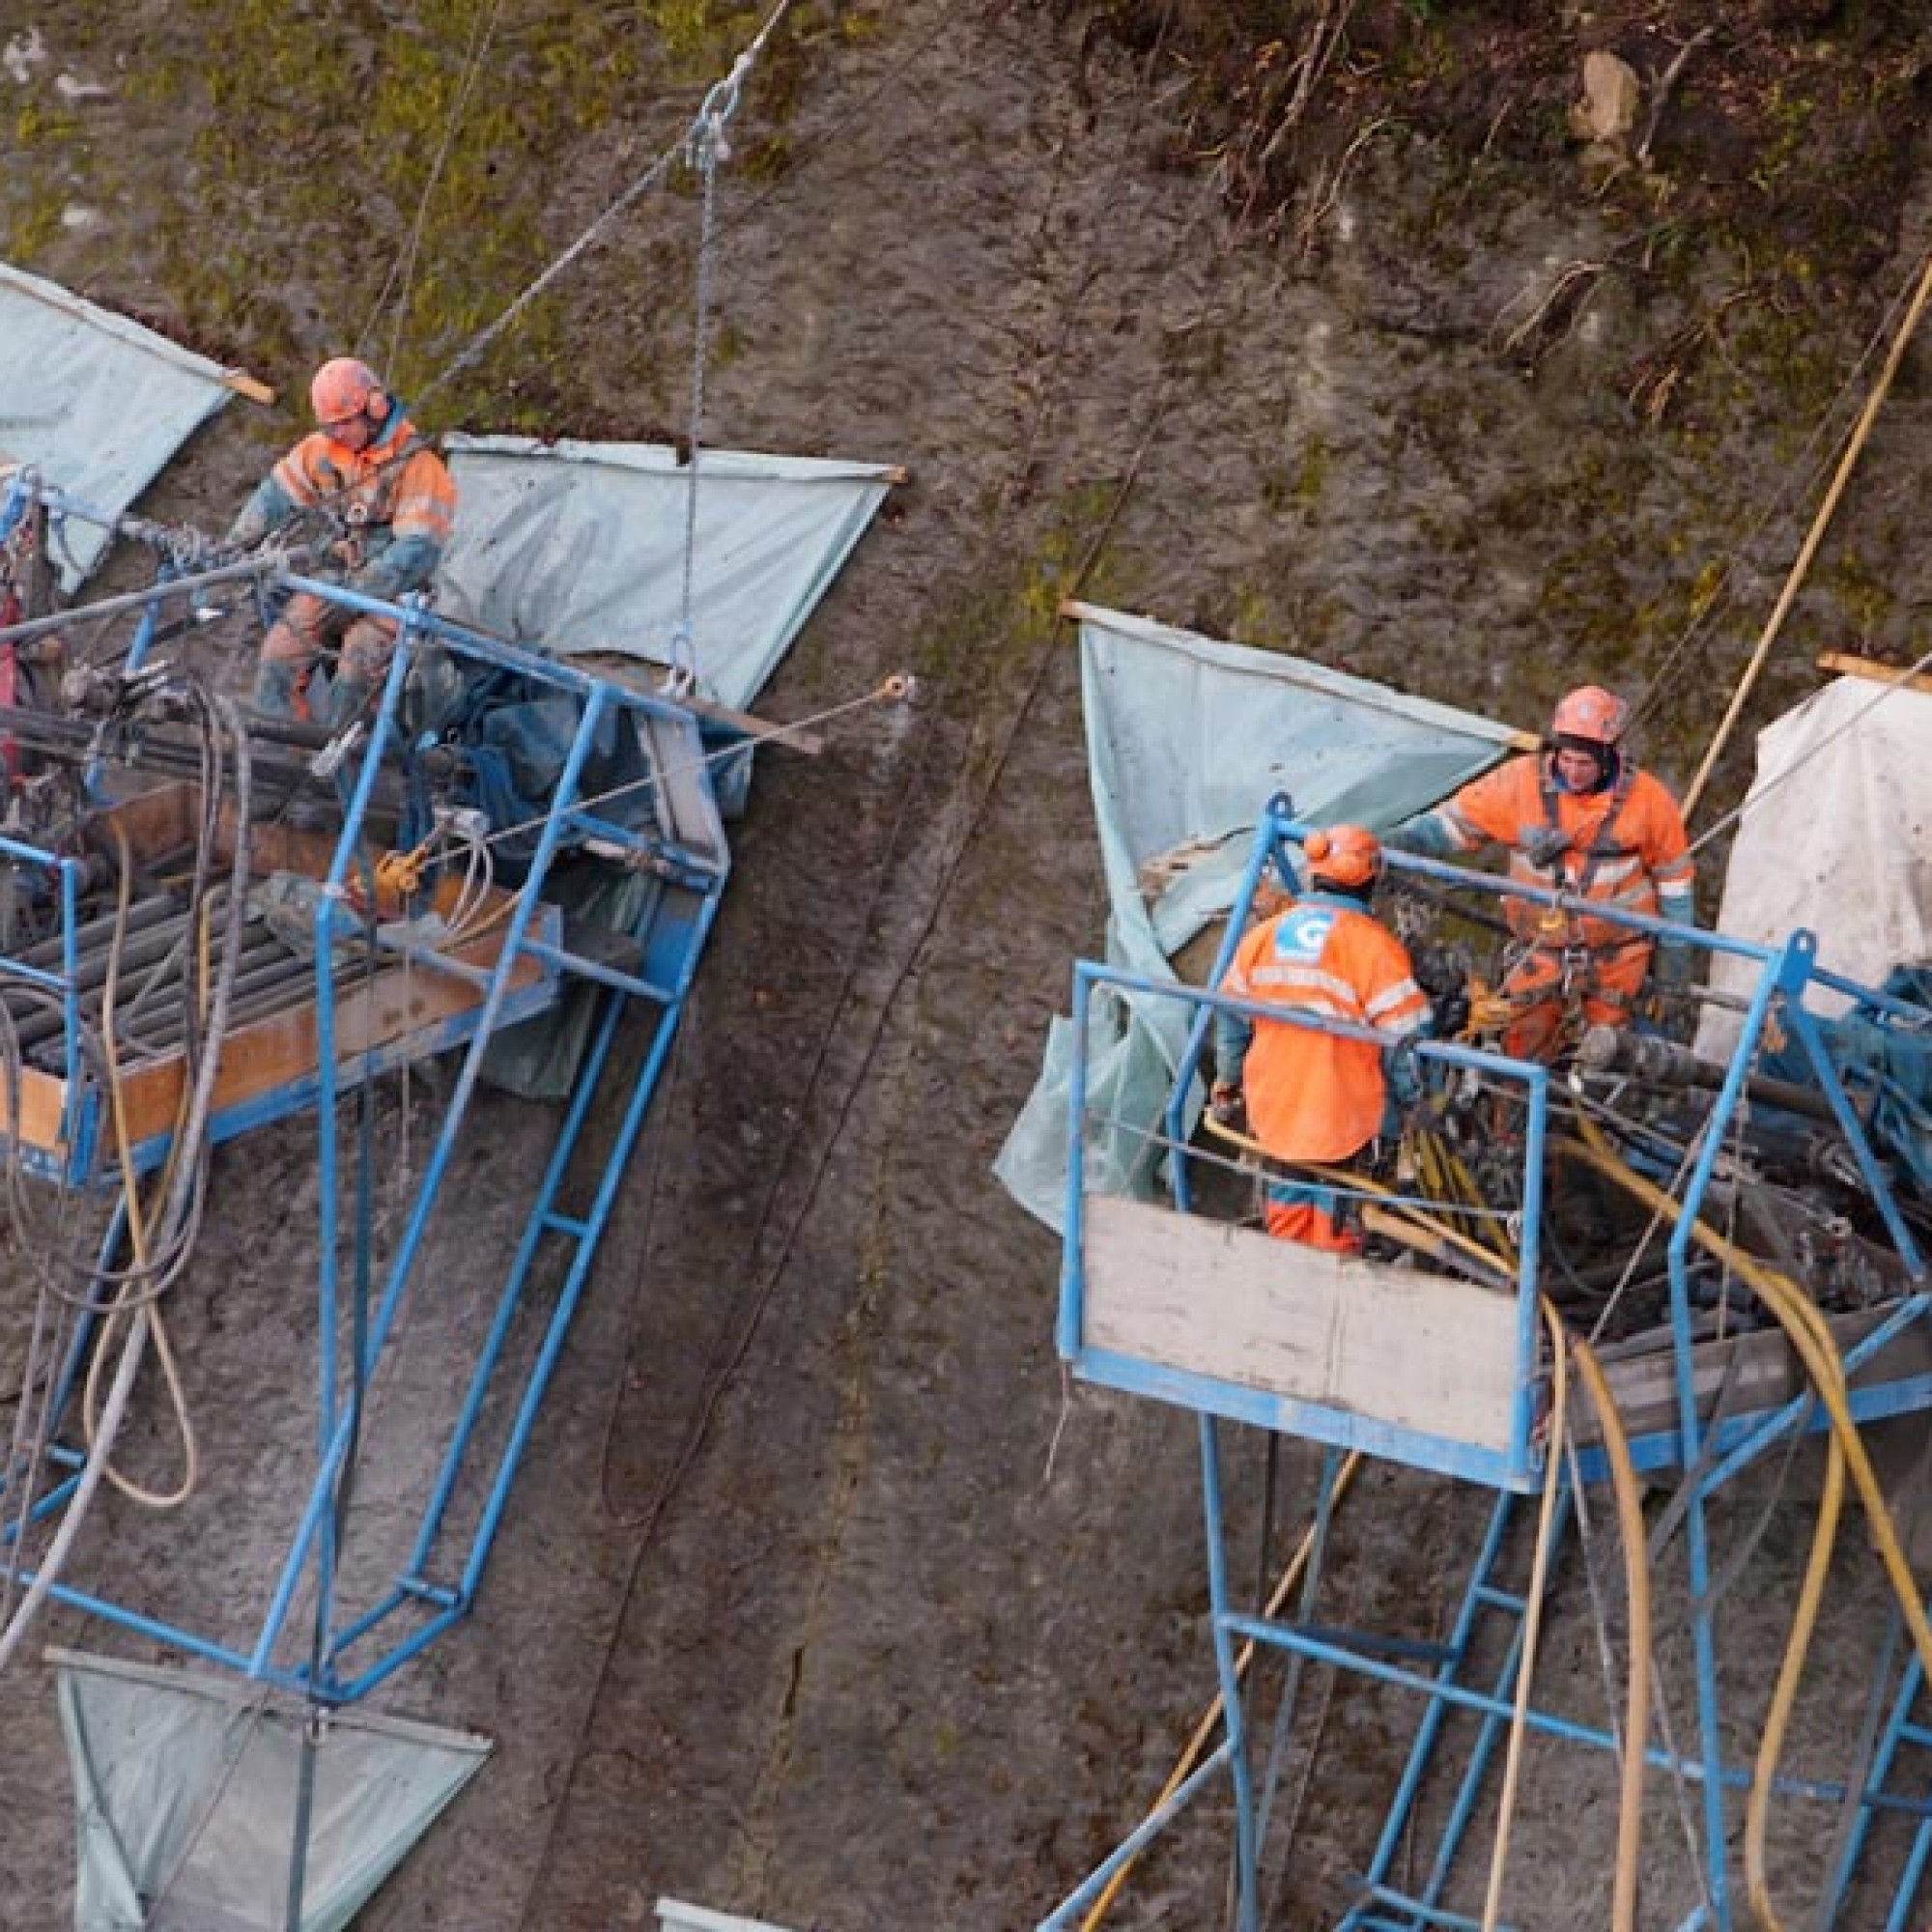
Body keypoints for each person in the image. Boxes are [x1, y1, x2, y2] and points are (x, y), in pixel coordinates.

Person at [1389, 684, 1694, 1062]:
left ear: (1610, 756)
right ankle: (1515, 1117)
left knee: (1610, 1057)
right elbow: (1453, 826)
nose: (1573, 771)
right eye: (1566, 759)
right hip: (1539, 952)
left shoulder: (1649, 802)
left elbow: (1676, 887)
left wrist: (1673, 971)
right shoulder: (1518, 784)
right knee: (1521, 1048)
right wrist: (1392, 843)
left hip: (1618, 958)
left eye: (1585, 763)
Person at [1211, 825, 1431, 1252]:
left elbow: (1232, 1017)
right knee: (1337, 1229)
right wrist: (1413, 1104)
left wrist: (1228, 1079)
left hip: (1275, 1107)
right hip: (1344, 1115)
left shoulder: (1265, 936)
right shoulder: (1374, 948)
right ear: (1370, 879)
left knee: (1286, 1213)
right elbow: (1408, 1043)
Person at [227, 355, 457, 726]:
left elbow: (417, 552)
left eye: (345, 424)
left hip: (393, 598)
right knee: (278, 657)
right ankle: (278, 754)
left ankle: (343, 770)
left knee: (355, 673)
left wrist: (359, 591)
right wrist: (234, 548)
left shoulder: (420, 467)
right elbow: (274, 499)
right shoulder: (323, 450)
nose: (338, 435)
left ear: (376, 407)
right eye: (330, 427)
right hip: (337, 583)